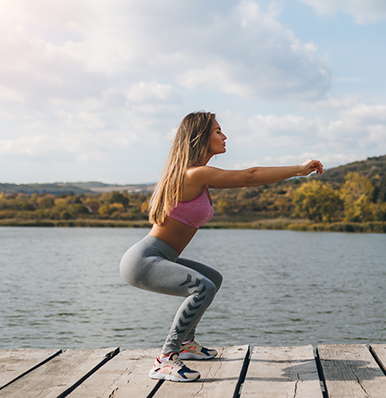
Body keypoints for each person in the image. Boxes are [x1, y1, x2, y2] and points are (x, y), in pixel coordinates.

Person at [119, 111, 323, 382]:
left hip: (158, 256)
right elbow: (249, 176)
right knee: (202, 287)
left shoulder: (196, 176)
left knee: (212, 278)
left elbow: (247, 178)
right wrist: (299, 169)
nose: (224, 136)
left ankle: (186, 343)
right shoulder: (193, 174)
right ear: (200, 137)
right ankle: (166, 359)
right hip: (144, 259)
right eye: (217, 131)